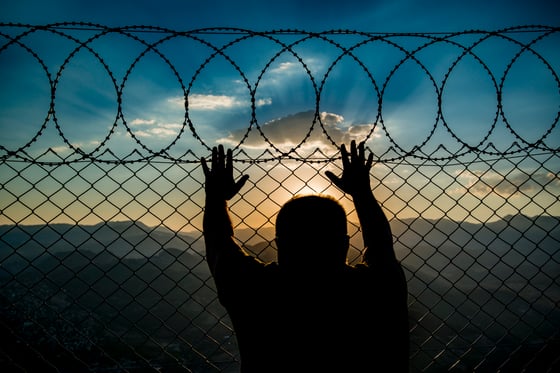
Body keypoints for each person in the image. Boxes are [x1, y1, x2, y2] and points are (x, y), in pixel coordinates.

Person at [201, 140, 409, 372]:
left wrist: (216, 197)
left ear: (280, 243)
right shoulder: (373, 289)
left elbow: (218, 243)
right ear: (344, 244)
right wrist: (362, 192)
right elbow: (381, 248)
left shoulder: (256, 289)